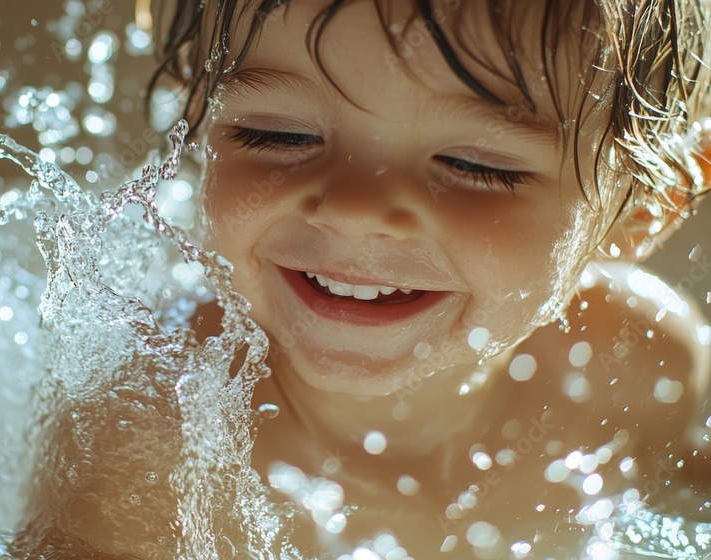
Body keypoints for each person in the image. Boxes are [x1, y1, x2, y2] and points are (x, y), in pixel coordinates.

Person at [140, 0, 711, 557]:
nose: (352, 209)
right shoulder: (154, 433)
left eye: (475, 166)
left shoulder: (631, 365)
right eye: (280, 135)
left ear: (647, 207)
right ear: (197, 115)